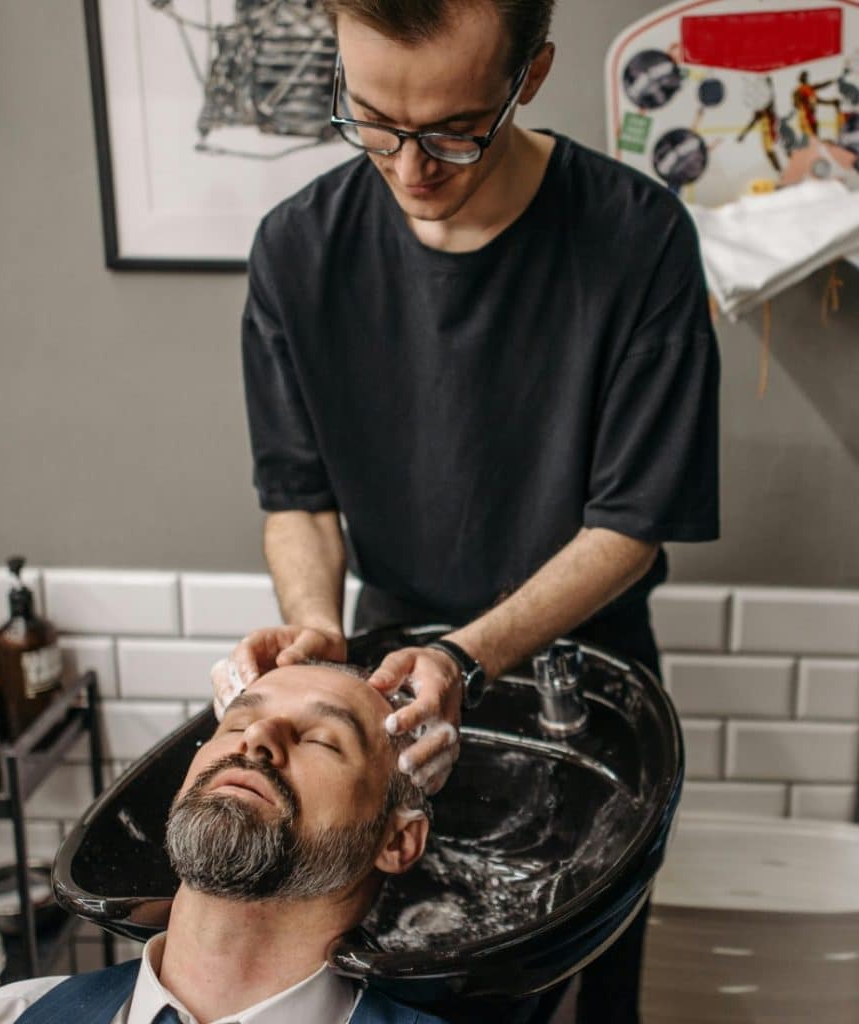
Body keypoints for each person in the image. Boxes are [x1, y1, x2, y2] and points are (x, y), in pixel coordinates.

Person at [221, 1, 720, 1020]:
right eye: (370, 121)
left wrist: (468, 654)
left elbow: (629, 522)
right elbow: (298, 500)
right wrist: (318, 632)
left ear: (527, 76)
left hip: (588, 677)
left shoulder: (636, 240)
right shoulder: (296, 250)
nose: (411, 171)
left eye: (453, 131)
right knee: (420, 981)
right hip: (393, 672)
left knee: (587, 980)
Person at [0, 661, 446, 1024]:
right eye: (236, 723)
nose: (257, 738)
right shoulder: (0, 1019)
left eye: (321, 739)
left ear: (397, 841)